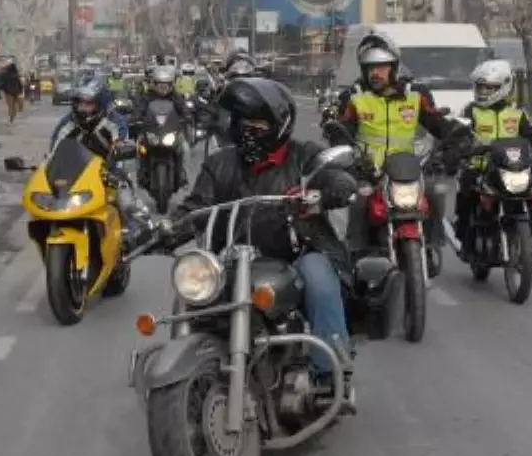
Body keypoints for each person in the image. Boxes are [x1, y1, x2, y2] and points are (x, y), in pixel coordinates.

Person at [161, 77, 358, 408]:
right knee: (191, 289)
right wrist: (166, 228)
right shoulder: (220, 162)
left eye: (258, 123)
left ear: (279, 124)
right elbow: (197, 206)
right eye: (243, 123)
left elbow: (336, 177)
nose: (249, 130)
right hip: (230, 257)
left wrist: (327, 192)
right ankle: (186, 375)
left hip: (296, 252)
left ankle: (330, 373)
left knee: (319, 278)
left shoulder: (304, 156)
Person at [335, 31, 462, 269]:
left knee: (434, 190)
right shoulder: (354, 97)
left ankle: (432, 244)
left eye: (382, 67)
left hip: (407, 169)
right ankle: (356, 256)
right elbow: (340, 132)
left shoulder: (416, 95)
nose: (376, 73)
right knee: (359, 201)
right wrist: (347, 155)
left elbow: (438, 124)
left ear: (394, 67)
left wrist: (456, 143)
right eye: (370, 67)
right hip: (369, 172)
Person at [452, 59, 532, 247]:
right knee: (466, 189)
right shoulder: (471, 111)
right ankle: (465, 236)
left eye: (489, 88)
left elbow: (530, 134)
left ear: (504, 87)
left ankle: (528, 231)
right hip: (481, 167)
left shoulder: (516, 113)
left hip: (510, 167)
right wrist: (460, 148)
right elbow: (459, 133)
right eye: (480, 87)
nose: (483, 92)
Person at [50, 78, 148, 241]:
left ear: (100, 104)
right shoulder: (68, 122)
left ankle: (138, 232)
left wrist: (121, 148)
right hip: (75, 173)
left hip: (109, 170)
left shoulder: (114, 121)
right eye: (80, 103)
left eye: (88, 104)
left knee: (126, 202)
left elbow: (121, 142)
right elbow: (54, 149)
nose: (83, 108)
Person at [135, 64, 190, 189]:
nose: (163, 88)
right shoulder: (147, 96)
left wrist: (187, 116)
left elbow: (183, 108)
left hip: (171, 131)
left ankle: (182, 174)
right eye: (160, 84)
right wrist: (136, 118)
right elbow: (139, 109)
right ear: (154, 84)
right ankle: (141, 174)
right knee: (138, 147)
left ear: (172, 85)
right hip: (151, 131)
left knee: (185, 148)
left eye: (167, 84)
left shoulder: (175, 96)